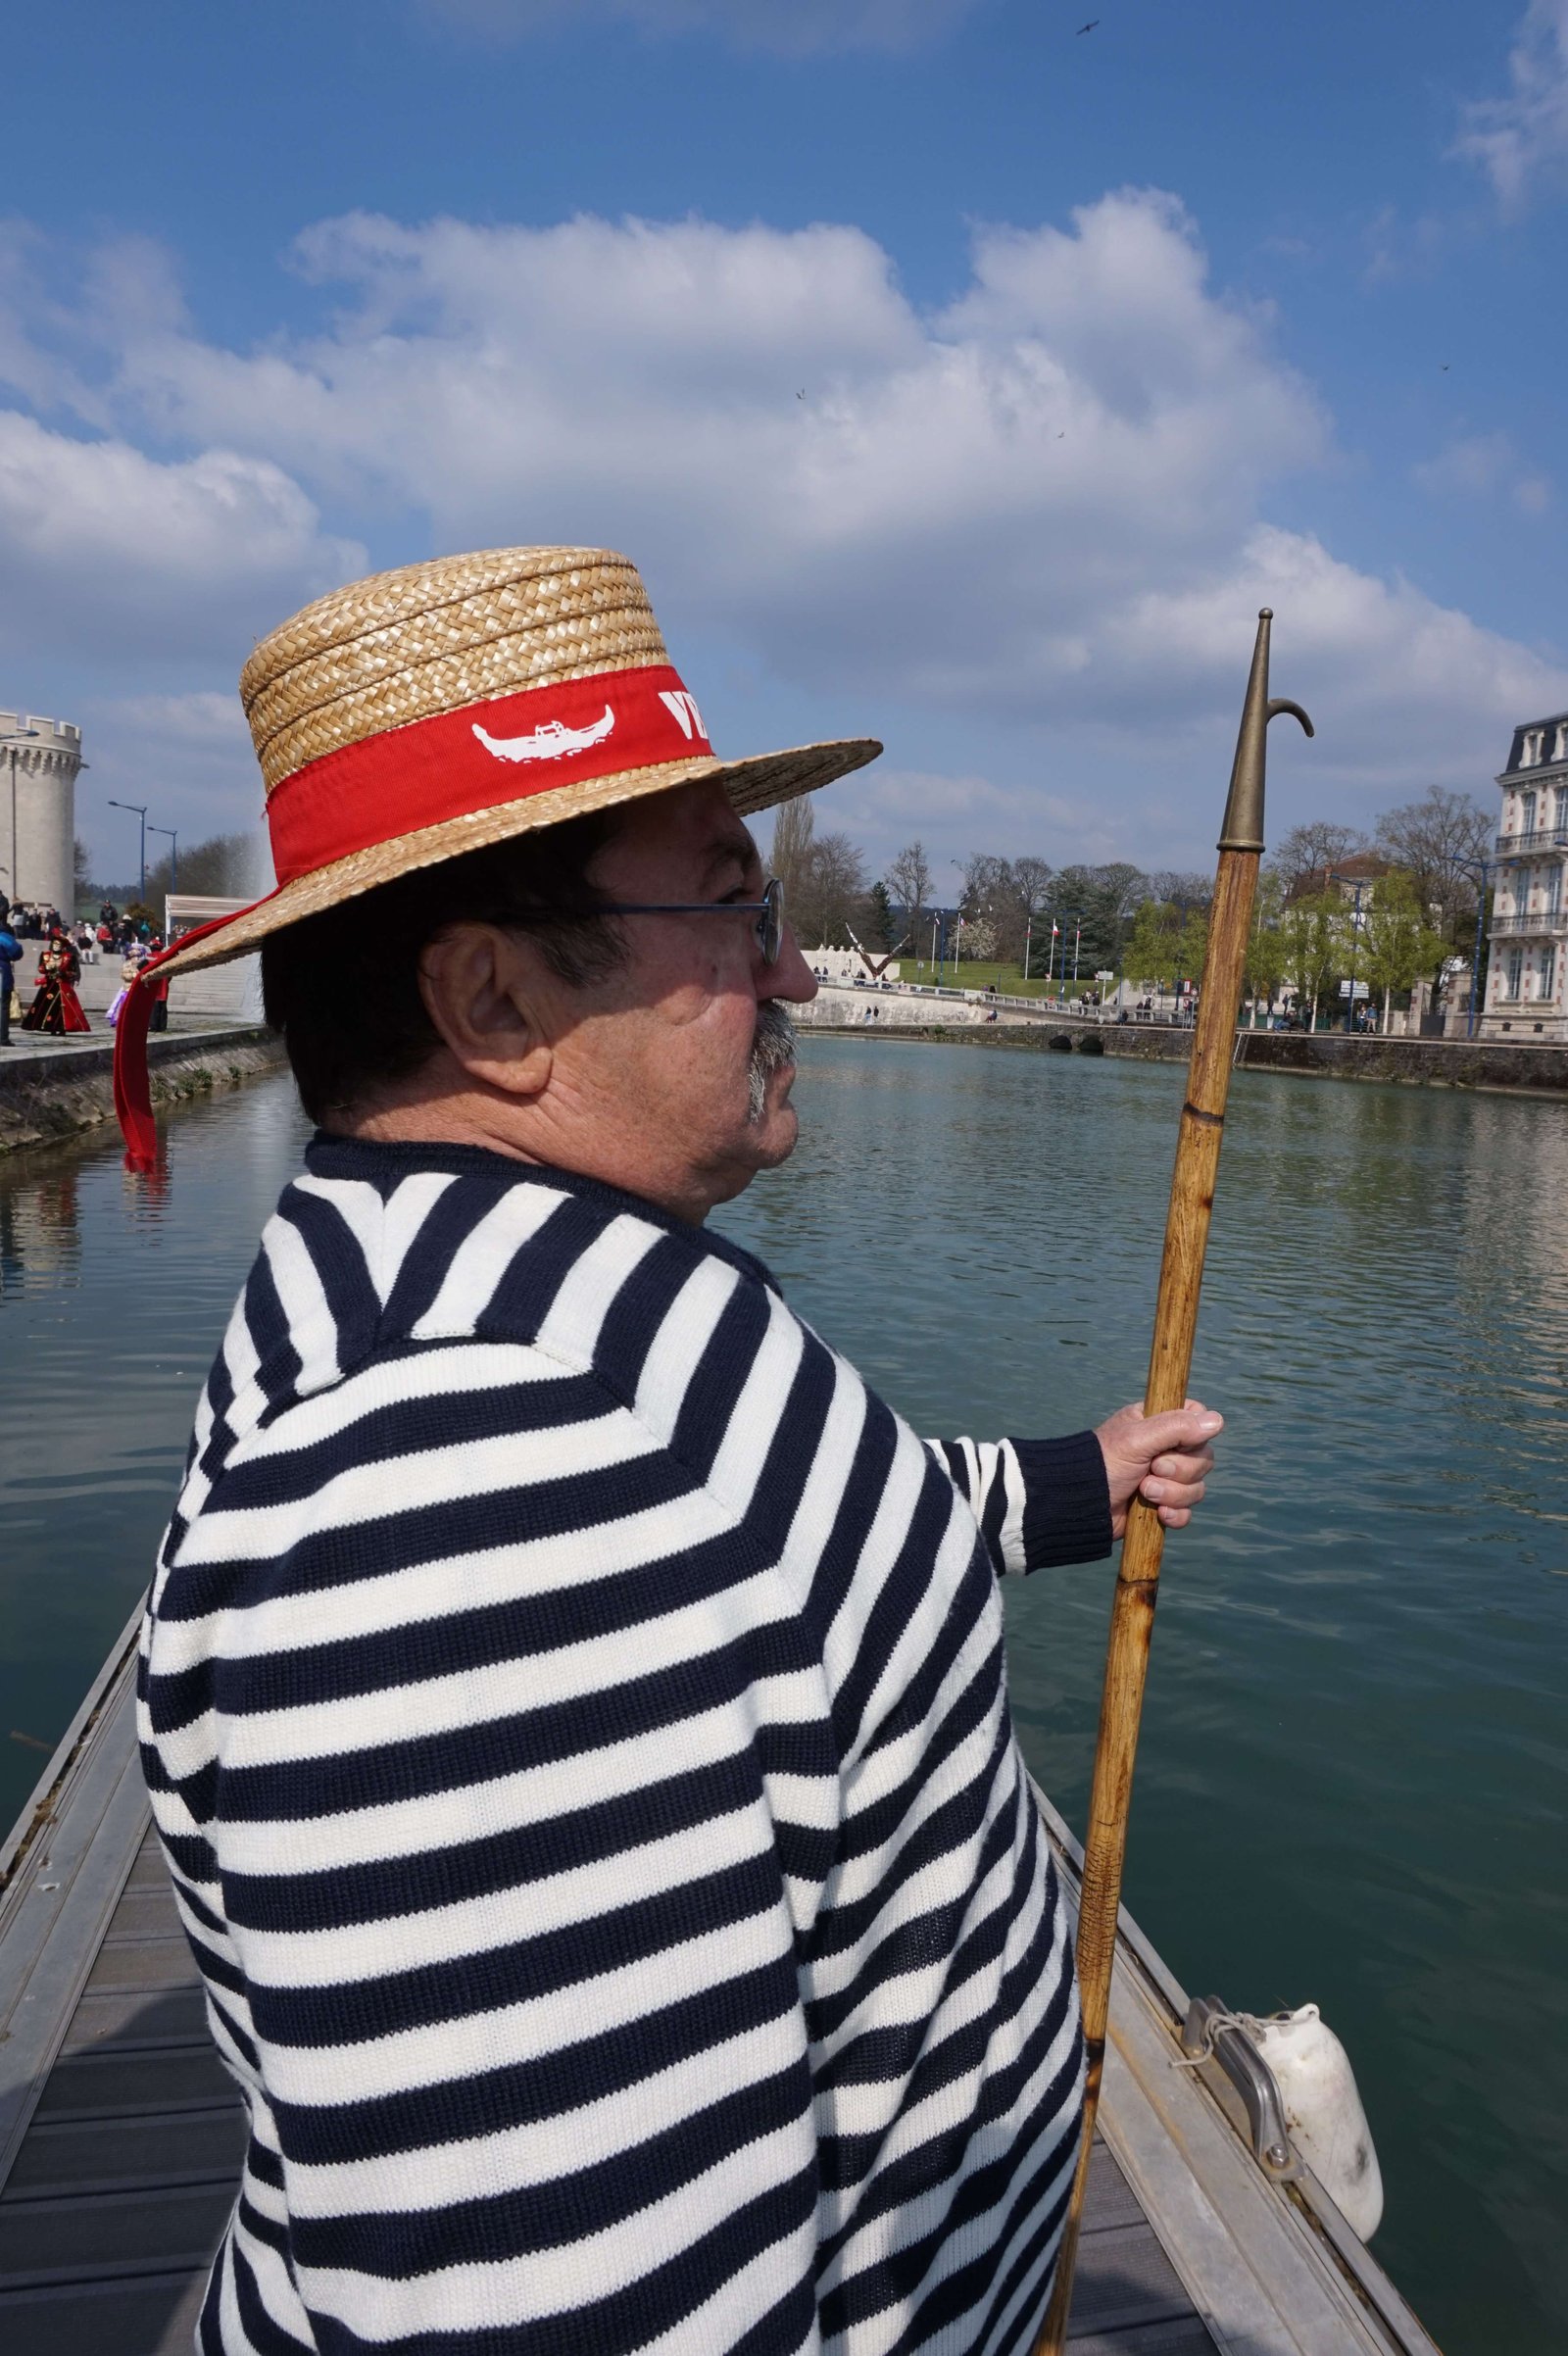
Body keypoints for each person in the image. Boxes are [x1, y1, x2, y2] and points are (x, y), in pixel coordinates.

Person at [122, 546, 1221, 2356]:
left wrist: (1068, 1477)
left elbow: (791, 1522)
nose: (792, 959)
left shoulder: (558, 1296)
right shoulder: (462, 1497)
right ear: (492, 1005)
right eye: (728, 903)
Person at [20, 924, 90, 1034]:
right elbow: (41, 968)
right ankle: (49, 1026)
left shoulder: (69, 957)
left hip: (62, 984)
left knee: (62, 1007)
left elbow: (73, 971)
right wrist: (46, 967)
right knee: (46, 1006)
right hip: (48, 985)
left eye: (59, 944)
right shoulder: (46, 955)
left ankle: (62, 1027)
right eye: (55, 944)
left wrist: (64, 973)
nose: (56, 946)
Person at [0, 897, 20, 1045]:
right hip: (2, 972)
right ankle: (2, 1037)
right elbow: (17, 952)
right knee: (3, 1005)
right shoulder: (4, 936)